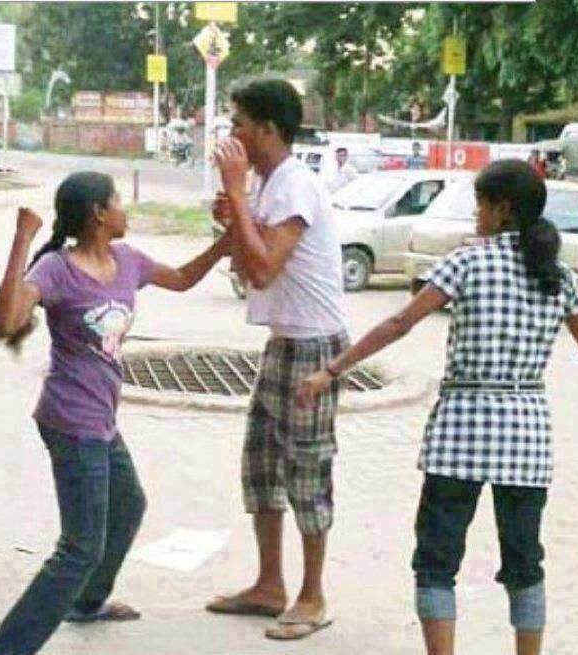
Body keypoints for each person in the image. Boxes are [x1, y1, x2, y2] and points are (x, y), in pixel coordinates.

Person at [297, 159, 578, 655]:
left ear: (502, 209)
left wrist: (332, 370)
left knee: (437, 562)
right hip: (526, 436)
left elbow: (399, 324)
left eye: (480, 206)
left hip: (460, 431)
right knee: (525, 562)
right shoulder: (557, 275)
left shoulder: (467, 262)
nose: (476, 216)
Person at [0, 171, 232, 655]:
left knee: (129, 504)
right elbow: (8, 320)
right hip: (72, 423)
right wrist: (21, 240)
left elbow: (179, 279)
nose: (124, 208)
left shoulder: (127, 261)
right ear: (98, 212)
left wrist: (225, 244)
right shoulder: (56, 268)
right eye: (117, 200)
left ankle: (88, 601)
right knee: (78, 550)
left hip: (100, 421)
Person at [205, 78, 349, 641]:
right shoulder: (266, 185)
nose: (231, 134)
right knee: (262, 466)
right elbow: (249, 266)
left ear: (267, 129)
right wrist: (235, 213)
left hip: (313, 344)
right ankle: (270, 585)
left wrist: (238, 197)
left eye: (239, 123)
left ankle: (312, 595)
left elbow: (263, 269)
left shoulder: (291, 185)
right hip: (283, 340)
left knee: (307, 471)